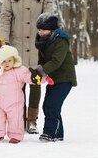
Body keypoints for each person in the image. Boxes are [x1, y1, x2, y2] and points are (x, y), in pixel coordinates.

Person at [0, 0, 54, 134]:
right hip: (17, 45)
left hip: (38, 45)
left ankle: (32, 121)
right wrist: (4, 41)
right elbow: (6, 16)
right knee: (18, 84)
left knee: (36, 81)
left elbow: (49, 16)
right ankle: (19, 118)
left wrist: (46, 37)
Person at [31, 12, 77, 142]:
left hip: (64, 79)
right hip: (53, 79)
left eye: (44, 29)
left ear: (52, 29)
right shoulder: (42, 42)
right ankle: (58, 134)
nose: (40, 32)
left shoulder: (61, 41)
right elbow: (42, 61)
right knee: (49, 106)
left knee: (52, 106)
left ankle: (49, 133)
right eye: (39, 29)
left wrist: (41, 70)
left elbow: (56, 61)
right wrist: (38, 72)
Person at [0, 45, 40, 144]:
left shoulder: (20, 71)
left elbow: (29, 77)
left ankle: (16, 136)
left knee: (15, 120)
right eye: (4, 61)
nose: (7, 63)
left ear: (14, 60)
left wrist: (40, 78)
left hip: (15, 103)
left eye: (9, 60)